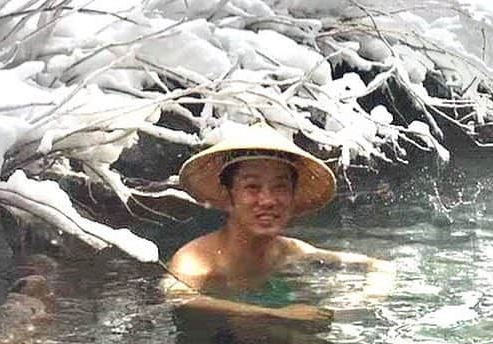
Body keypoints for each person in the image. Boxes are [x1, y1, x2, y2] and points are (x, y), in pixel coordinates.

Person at [163, 124, 394, 333]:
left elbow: (380, 266)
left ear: (293, 195)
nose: (267, 200)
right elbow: (178, 297)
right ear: (227, 194)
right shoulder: (196, 260)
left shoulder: (291, 251)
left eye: (280, 187)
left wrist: (363, 301)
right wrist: (278, 315)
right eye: (252, 187)